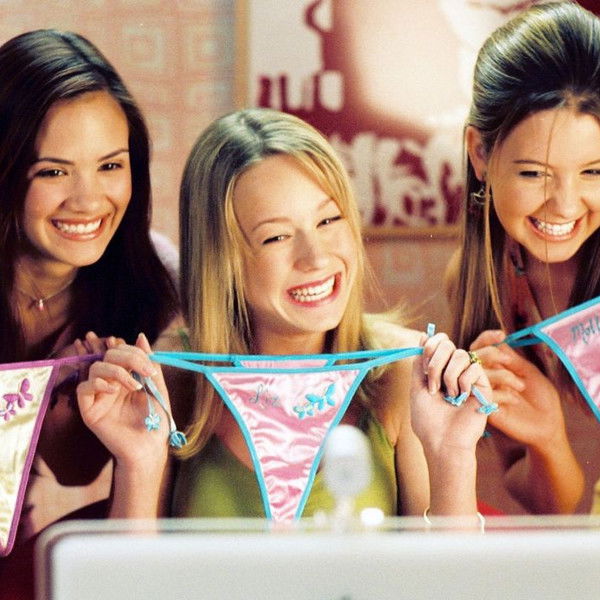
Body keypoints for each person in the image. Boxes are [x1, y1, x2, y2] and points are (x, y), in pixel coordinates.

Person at [77, 108, 492, 524]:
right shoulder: (170, 380)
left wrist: (452, 456)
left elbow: (445, 568)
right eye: (276, 236)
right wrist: (137, 464)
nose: (316, 258)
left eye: (329, 219)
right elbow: (131, 567)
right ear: (220, 261)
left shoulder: (405, 371)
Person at [0, 28, 179, 597]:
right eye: (53, 171)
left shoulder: (152, 280)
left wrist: (73, 417)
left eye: (110, 166)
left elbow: (76, 469)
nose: (88, 201)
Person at [446, 0, 600, 515]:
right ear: (481, 154)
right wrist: (547, 437)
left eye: (594, 172)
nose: (566, 206)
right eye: (535, 173)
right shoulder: (487, 281)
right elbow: (551, 504)